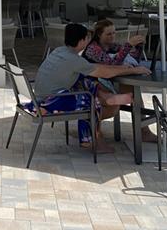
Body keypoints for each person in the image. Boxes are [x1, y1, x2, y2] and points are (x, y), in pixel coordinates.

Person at [32, 23, 151, 153]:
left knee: (84, 80)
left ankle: (106, 98)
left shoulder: (59, 51)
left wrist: (126, 66)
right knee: (91, 102)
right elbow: (103, 72)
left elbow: (101, 68)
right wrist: (131, 70)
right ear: (82, 40)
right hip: (48, 103)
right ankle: (94, 141)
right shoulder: (75, 59)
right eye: (87, 38)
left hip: (42, 97)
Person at [84, 19, 156, 142]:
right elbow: (112, 64)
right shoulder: (93, 49)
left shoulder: (112, 46)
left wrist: (138, 46)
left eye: (114, 33)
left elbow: (130, 58)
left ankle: (144, 131)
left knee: (134, 91)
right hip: (90, 84)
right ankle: (90, 122)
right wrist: (128, 45)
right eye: (109, 34)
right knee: (113, 105)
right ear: (99, 35)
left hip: (106, 81)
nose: (112, 36)